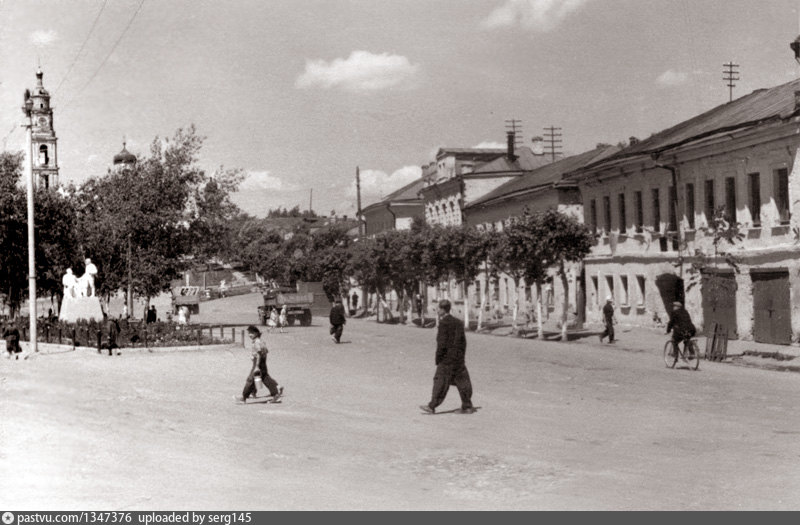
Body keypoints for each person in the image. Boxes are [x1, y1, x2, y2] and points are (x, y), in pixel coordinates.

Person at [420, 299, 475, 414]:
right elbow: (463, 342)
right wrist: (461, 356)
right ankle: (467, 406)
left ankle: (432, 406)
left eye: (438, 309)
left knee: (440, 381)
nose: (437, 311)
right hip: (458, 358)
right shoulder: (458, 322)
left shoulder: (444, 323)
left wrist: (438, 358)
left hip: (446, 358)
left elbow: (442, 344)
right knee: (463, 382)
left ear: (443, 310)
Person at [235, 325, 283, 403]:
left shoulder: (257, 342)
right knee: (265, 378)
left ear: (256, 333)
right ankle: (276, 395)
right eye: (249, 333)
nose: (250, 335)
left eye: (252, 333)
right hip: (262, 363)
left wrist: (257, 366)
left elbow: (259, 354)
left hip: (258, 363)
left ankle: (243, 398)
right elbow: (266, 352)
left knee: (251, 379)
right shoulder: (261, 341)